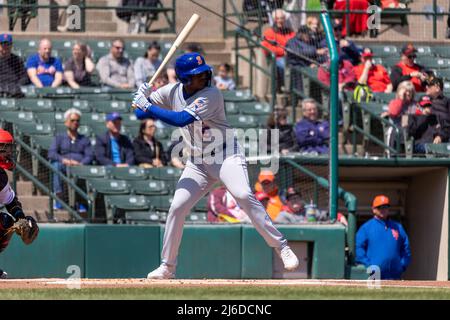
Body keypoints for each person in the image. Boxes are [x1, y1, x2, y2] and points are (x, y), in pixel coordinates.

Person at [132, 52, 299, 279]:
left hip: (225, 156)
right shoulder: (171, 91)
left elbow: (181, 119)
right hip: (198, 162)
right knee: (177, 208)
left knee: (242, 194)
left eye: (204, 73)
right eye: (197, 75)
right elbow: (139, 113)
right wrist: (143, 97)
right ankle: (167, 267)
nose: (203, 77)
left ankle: (281, 246)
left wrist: (147, 105)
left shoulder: (212, 94)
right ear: (184, 79)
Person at [0, 129, 39, 279]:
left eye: (9, 148)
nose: (9, 153)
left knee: (5, 221)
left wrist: (21, 218)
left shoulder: (1, 177)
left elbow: (11, 202)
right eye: (5, 148)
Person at [356, 195, 411, 280]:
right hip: (374, 276)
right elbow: (358, 248)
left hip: (395, 275)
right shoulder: (366, 228)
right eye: (380, 207)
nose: (383, 210)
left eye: (385, 207)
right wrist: (369, 265)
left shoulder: (397, 227)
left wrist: (402, 265)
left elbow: (406, 247)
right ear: (374, 209)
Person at [48, 108, 94, 210]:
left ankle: (81, 201)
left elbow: (89, 155)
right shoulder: (59, 137)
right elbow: (51, 153)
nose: (75, 123)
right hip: (64, 165)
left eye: (77, 121)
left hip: (80, 166)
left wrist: (81, 163)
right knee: (55, 165)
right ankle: (58, 198)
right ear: (66, 122)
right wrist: (64, 160)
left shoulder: (84, 139)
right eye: (72, 120)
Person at [261, 9, 295, 91]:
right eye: (277, 18)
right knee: (285, 65)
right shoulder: (269, 32)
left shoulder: (289, 31)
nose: (280, 20)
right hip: (277, 58)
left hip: (291, 56)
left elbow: (295, 42)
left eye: (282, 18)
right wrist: (282, 51)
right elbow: (266, 48)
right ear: (274, 19)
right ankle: (286, 87)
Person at [0, 33, 28, 97]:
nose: (5, 46)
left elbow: (24, 77)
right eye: (2, 44)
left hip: (15, 89)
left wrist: (17, 85)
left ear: (11, 45)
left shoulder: (17, 60)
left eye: (7, 44)